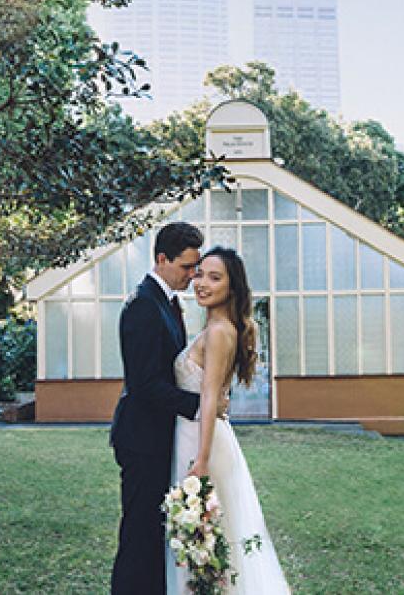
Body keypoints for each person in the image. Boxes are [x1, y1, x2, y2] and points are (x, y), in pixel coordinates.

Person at [110, 222, 228, 595]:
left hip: (161, 437)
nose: (193, 276)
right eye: (186, 267)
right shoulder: (144, 305)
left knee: (155, 535)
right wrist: (201, 405)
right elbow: (145, 385)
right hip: (142, 440)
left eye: (197, 267)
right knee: (139, 535)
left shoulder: (166, 302)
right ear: (161, 259)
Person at [167, 246, 290, 594]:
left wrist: (202, 459)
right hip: (196, 433)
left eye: (214, 277)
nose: (202, 283)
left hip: (200, 440)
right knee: (206, 537)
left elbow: (208, 396)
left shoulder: (220, 331)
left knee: (208, 537)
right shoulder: (216, 327)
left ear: (232, 288)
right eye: (200, 274)